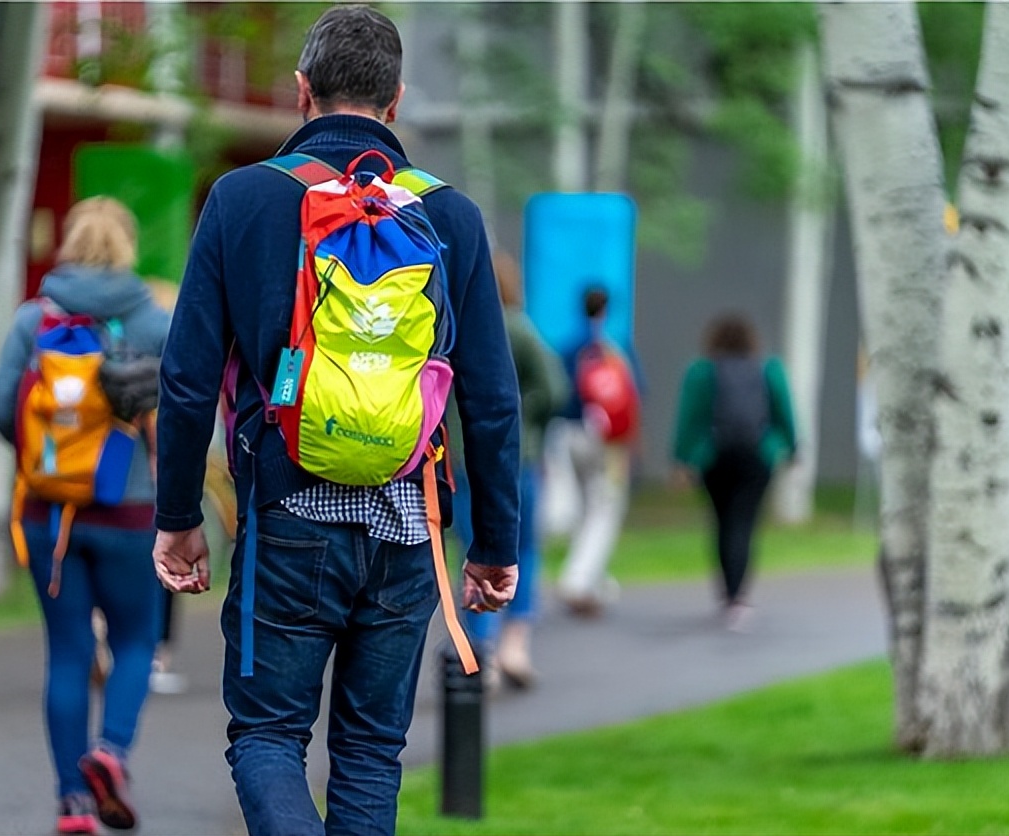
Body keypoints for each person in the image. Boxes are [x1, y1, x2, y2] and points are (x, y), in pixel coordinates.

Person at [151, 7, 522, 835]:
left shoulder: (242, 200)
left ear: (300, 92)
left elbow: (184, 380)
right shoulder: (451, 217)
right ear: (395, 102)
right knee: (368, 753)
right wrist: (494, 545)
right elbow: (491, 400)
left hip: (289, 520)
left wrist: (179, 518)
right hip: (407, 531)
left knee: (268, 736)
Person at [0, 197, 170, 834]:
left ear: (68, 243)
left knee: (67, 652)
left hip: (50, 516)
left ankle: (73, 803)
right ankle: (110, 752)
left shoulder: (33, 320)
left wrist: (48, 463)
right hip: (130, 509)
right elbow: (181, 412)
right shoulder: (152, 321)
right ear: (126, 247)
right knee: (135, 641)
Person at [457, 250, 567, 689]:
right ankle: (514, 645)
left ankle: (478, 646)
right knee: (521, 550)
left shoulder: (449, 327)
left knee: (472, 552)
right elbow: (554, 388)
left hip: (461, 462)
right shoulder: (517, 328)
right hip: (513, 458)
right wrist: (522, 419)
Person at [670, 313, 796, 632]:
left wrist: (682, 459)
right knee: (744, 523)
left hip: (715, 457)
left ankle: (728, 591)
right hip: (757, 456)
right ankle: (739, 595)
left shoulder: (701, 371)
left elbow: (689, 417)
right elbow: (785, 413)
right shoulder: (769, 369)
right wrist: (791, 448)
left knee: (723, 522)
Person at [556, 286, 642, 617]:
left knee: (585, 508)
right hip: (606, 441)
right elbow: (634, 396)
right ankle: (579, 580)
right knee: (605, 509)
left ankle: (591, 577)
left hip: (568, 433)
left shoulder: (567, 345)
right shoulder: (614, 347)